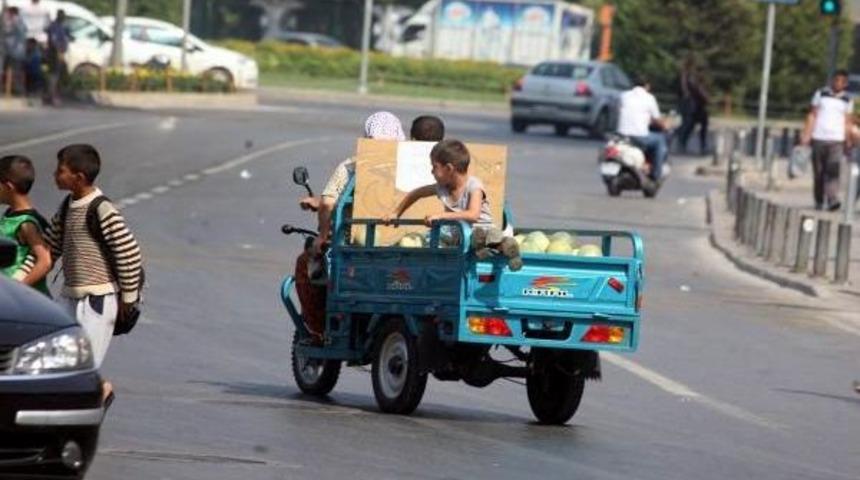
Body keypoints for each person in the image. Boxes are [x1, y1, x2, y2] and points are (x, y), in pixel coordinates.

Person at [293, 111, 407, 343]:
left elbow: (327, 202)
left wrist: (322, 236)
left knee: (306, 263)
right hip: (408, 242)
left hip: (356, 246)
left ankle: (318, 332)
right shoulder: (417, 167)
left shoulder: (352, 166)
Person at [43, 144, 144, 403]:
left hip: (97, 300)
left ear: (78, 177)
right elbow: (50, 246)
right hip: (69, 297)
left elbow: (128, 253)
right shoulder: (68, 205)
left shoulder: (101, 209)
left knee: (83, 366)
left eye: (60, 170)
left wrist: (129, 299)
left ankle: (96, 397)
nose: (54, 174)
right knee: (53, 358)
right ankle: (95, 392)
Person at [385, 139, 522, 271]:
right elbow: (416, 193)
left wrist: (442, 216)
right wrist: (396, 212)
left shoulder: (474, 186)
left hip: (482, 230)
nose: (432, 171)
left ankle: (506, 248)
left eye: (434, 167)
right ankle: (483, 248)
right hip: (458, 236)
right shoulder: (442, 187)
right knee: (435, 239)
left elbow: (473, 215)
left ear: (449, 168)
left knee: (483, 237)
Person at [802, 70, 854, 211]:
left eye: (841, 81)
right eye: (836, 80)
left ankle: (832, 199)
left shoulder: (847, 100)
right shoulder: (821, 94)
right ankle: (819, 200)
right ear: (832, 80)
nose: (838, 84)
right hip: (819, 137)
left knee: (833, 171)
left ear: (845, 84)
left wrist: (848, 140)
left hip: (836, 140)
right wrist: (806, 134)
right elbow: (812, 115)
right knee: (819, 172)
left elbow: (847, 121)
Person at [0, 155, 51, 295]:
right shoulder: (11, 214)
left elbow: (44, 261)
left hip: (25, 298)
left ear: (8, 187)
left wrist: (20, 288)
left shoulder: (27, 223)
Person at [617, 75, 669, 180]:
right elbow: (657, 119)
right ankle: (656, 174)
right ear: (647, 86)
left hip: (621, 135)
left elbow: (620, 110)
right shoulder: (649, 98)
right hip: (639, 137)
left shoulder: (624, 95)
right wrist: (665, 126)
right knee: (659, 140)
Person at [676, 57, 710, 155]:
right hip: (694, 106)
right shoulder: (690, 77)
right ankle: (683, 142)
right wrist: (706, 98)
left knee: (694, 125)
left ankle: (688, 143)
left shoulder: (692, 77)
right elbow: (696, 90)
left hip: (697, 105)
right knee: (690, 125)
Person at [45, 9, 70, 105]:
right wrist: (59, 51)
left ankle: (52, 95)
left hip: (59, 53)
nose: (63, 18)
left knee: (58, 74)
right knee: (54, 75)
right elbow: (54, 40)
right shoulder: (55, 26)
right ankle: (51, 96)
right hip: (54, 54)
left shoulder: (61, 26)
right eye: (62, 16)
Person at [2, 7, 27, 95]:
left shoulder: (16, 21)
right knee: (13, 71)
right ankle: (13, 89)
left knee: (16, 71)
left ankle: (17, 90)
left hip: (14, 51)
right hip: (13, 50)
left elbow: (9, 32)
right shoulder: (18, 21)